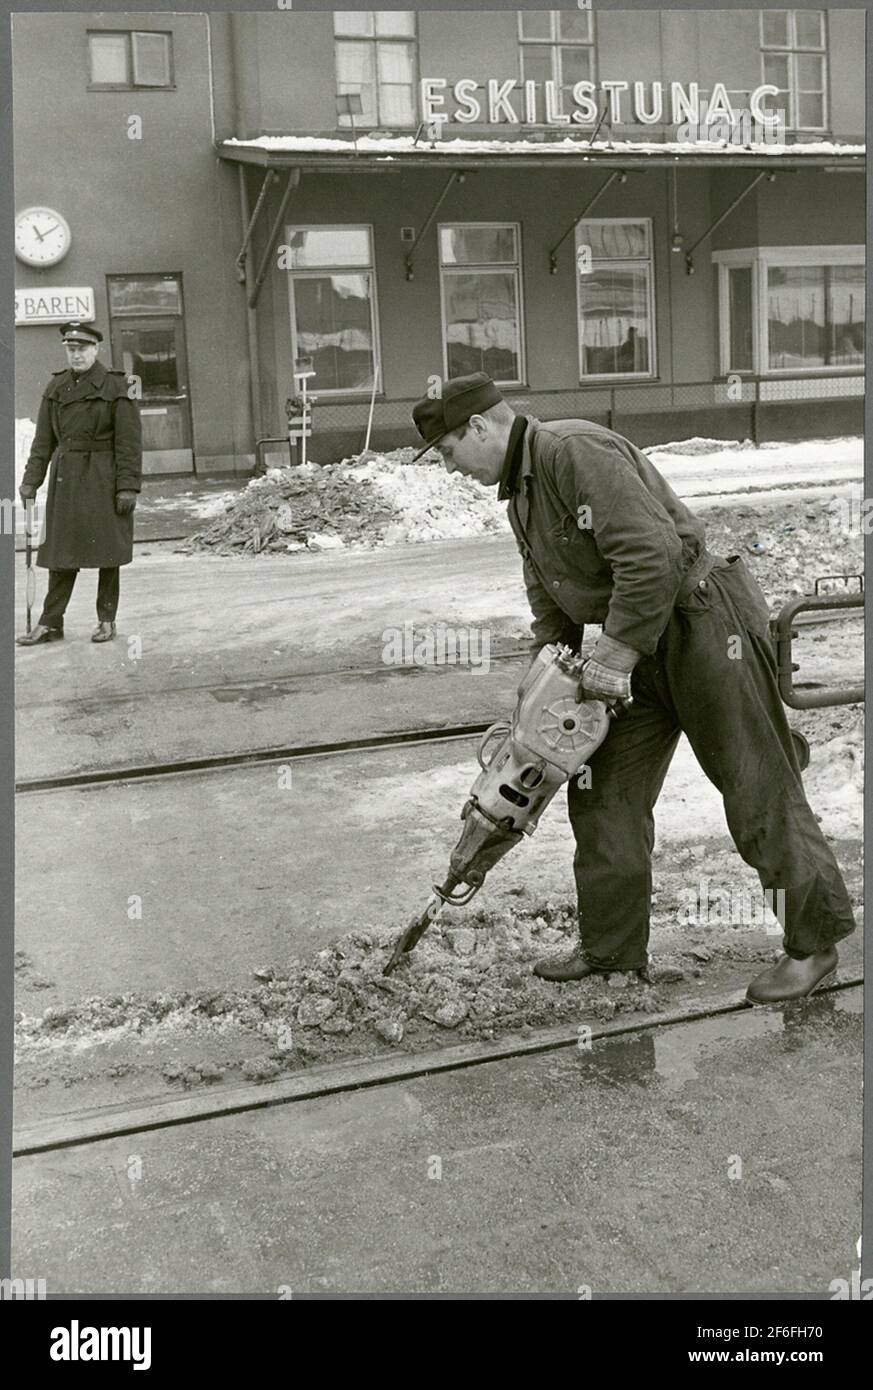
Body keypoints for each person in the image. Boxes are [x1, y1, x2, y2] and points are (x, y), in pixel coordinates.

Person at [410, 373, 856, 1004]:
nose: (449, 468)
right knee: (601, 790)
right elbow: (554, 607)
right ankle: (611, 949)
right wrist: (539, 695)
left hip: (704, 625)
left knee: (755, 786)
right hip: (635, 643)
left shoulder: (572, 453)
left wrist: (614, 658)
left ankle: (815, 946)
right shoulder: (520, 499)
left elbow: (649, 555)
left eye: (449, 451)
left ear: (479, 427)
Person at [17, 321, 142, 646]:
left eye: (82, 349)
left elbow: (129, 442)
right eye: (71, 350)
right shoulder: (55, 388)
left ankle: (106, 619)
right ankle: (50, 622)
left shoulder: (121, 385)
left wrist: (128, 486)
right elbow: (43, 442)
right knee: (61, 554)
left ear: (96, 349)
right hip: (67, 479)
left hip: (104, 477)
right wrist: (31, 481)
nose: (76, 355)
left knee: (108, 554)